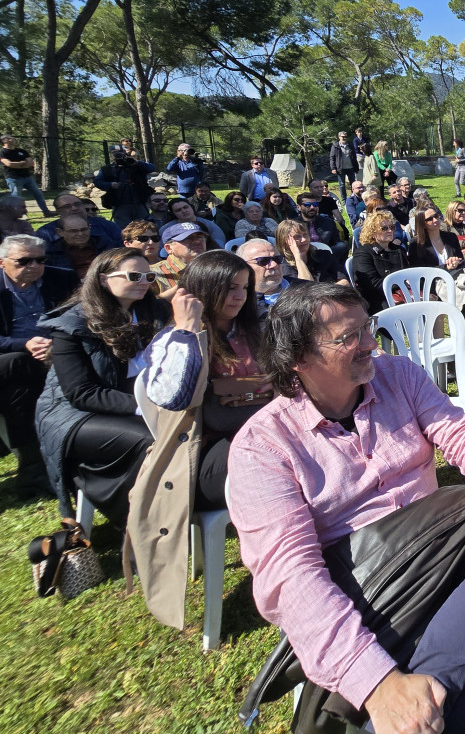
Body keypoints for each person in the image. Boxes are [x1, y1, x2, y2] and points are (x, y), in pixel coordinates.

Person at [227, 281, 465, 734]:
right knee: (456, 696)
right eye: (348, 337)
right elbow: (291, 576)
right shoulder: (262, 446)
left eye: (368, 327)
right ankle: (426, 690)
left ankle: (424, 692)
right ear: (298, 358)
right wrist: (378, 683)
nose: (369, 344)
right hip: (364, 586)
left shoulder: (398, 375)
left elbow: (462, 435)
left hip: (436, 546)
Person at [128, 251, 270, 635]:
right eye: (229, 287)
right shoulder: (174, 339)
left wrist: (244, 390)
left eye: (244, 287)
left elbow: (280, 383)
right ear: (201, 289)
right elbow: (175, 397)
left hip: (250, 441)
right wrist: (189, 328)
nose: (239, 296)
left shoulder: (252, 331)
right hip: (199, 462)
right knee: (281, 456)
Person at [35, 248, 167, 527]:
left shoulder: (152, 311)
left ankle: (174, 506)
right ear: (104, 279)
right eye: (134, 276)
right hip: (73, 415)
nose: (144, 282)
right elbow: (81, 393)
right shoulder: (71, 326)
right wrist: (146, 407)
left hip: (133, 403)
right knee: (149, 439)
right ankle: (137, 520)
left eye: (149, 276)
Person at [1, 235, 79, 496]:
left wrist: (59, 343)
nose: (33, 266)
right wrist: (24, 344)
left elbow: (79, 317)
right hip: (10, 354)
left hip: (54, 350)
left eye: (40, 260)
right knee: (19, 363)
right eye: (24, 261)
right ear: (2, 262)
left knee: (18, 392)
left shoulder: (62, 279)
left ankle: (35, 471)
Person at [350, 210, 407, 314]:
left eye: (392, 227)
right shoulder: (363, 253)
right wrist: (401, 283)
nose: (390, 231)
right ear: (372, 232)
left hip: (404, 294)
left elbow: (410, 272)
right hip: (379, 299)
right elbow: (369, 284)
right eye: (384, 228)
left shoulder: (399, 250)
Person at [94, 144, 156, 225]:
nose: (117, 154)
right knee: (123, 228)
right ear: (111, 154)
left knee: (143, 226)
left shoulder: (135, 164)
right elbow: (97, 182)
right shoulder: (107, 169)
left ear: (124, 152)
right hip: (120, 203)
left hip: (140, 201)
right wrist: (110, 185)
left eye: (120, 152)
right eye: (114, 152)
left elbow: (152, 168)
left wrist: (136, 161)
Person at [151, 221, 210, 297]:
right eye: (187, 239)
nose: (197, 241)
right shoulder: (153, 274)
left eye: (199, 237)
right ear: (169, 248)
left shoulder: (214, 268)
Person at [277, 219, 345, 285]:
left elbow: (344, 282)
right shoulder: (281, 267)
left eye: (305, 234)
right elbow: (307, 288)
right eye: (297, 237)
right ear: (284, 241)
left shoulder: (324, 255)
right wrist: (298, 259)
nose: (304, 239)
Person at [44, 214, 112, 278]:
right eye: (73, 231)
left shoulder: (106, 244)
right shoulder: (52, 253)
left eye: (84, 229)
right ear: (60, 232)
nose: (80, 234)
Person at [1, 135, 53, 217]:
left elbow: (30, 163)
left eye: (13, 138)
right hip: (13, 178)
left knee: (38, 194)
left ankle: (46, 212)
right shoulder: (2, 152)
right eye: (10, 138)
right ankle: (21, 215)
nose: (13, 139)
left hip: (27, 177)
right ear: (4, 140)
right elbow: (9, 164)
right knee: (17, 197)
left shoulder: (21, 151)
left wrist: (17, 165)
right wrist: (22, 163)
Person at [329, 131, 359, 198]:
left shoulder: (350, 145)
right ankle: (344, 200)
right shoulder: (335, 146)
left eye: (345, 137)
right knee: (342, 185)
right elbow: (332, 158)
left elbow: (354, 157)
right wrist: (333, 168)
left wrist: (356, 167)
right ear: (339, 137)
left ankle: (354, 197)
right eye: (343, 137)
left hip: (351, 168)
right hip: (341, 169)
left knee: (353, 184)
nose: (344, 138)